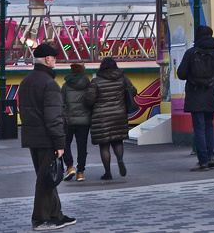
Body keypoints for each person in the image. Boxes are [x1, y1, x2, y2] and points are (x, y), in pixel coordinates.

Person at [18, 42, 74, 230]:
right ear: (47, 60)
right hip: (47, 138)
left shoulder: (26, 81)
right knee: (44, 180)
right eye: (54, 58)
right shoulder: (49, 84)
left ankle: (56, 215)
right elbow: (53, 117)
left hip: (32, 137)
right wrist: (60, 143)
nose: (56, 60)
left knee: (49, 176)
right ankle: (40, 220)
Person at [176, 25, 214, 171]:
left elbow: (181, 74)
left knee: (198, 127)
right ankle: (211, 156)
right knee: (209, 125)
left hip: (195, 94)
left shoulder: (190, 53)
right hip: (211, 95)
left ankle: (202, 161)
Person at [84, 56, 136, 180]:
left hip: (101, 118)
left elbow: (89, 101)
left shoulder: (96, 81)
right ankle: (120, 159)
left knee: (104, 145)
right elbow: (133, 91)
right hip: (119, 115)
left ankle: (107, 172)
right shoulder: (122, 79)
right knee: (118, 141)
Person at [60, 63, 92, 183]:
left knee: (65, 144)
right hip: (84, 121)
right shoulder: (88, 85)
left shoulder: (66, 86)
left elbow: (61, 102)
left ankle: (70, 167)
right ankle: (80, 173)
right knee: (82, 146)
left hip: (68, 121)